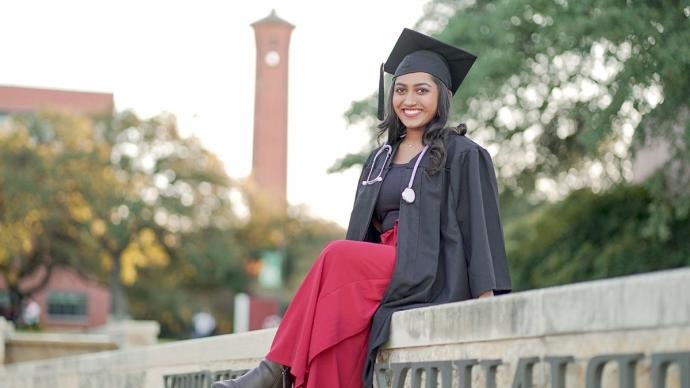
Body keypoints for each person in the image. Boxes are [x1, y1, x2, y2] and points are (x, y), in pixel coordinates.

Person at [213, 28, 511, 388]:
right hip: (384, 270)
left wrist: (486, 301)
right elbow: (362, 234)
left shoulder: (462, 154)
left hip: (433, 270)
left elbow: (480, 229)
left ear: (442, 97)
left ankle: (273, 372)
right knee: (333, 339)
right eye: (401, 90)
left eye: (422, 90)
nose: (409, 100)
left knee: (336, 255)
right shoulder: (379, 159)